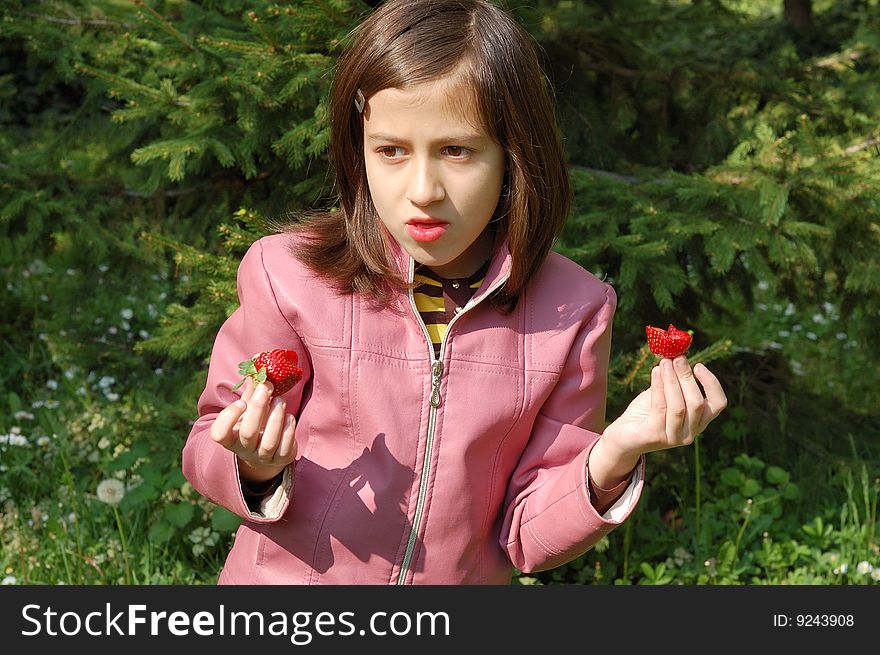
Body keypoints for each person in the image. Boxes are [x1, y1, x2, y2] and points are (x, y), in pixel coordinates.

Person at [183, 0, 727, 585]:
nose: (422, 190)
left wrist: (614, 452)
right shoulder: (289, 275)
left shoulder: (574, 310)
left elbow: (528, 538)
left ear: (513, 157)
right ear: (357, 149)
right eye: (390, 150)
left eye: (457, 151)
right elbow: (209, 440)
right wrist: (253, 465)